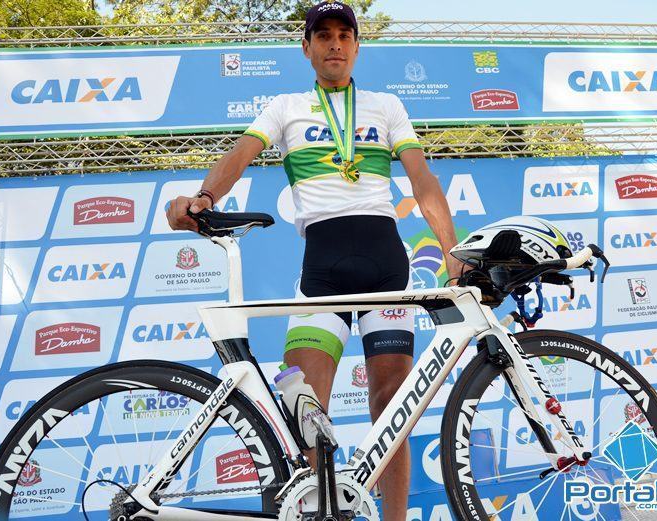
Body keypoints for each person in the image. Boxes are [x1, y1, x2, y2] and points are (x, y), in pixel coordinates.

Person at [166, 1, 467, 518]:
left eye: (344, 35)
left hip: (385, 268)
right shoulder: (285, 107)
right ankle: (318, 511)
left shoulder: (387, 106)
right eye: (322, 35)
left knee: (392, 408)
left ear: (356, 46)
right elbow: (239, 154)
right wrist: (206, 199)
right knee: (306, 409)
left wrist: (452, 250)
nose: (334, 44)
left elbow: (422, 179)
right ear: (306, 47)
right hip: (322, 270)